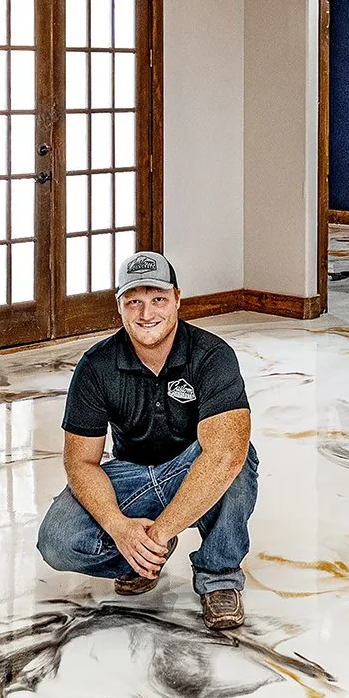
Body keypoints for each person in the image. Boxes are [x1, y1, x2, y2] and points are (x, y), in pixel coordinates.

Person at [37, 251, 259, 630]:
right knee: (58, 540)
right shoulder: (96, 366)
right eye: (134, 301)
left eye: (157, 299)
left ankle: (218, 576)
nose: (146, 313)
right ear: (119, 306)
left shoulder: (212, 355)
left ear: (177, 298)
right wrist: (121, 528)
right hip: (133, 475)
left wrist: (157, 533)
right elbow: (81, 462)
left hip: (196, 463)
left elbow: (226, 455)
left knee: (232, 463)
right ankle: (143, 559)